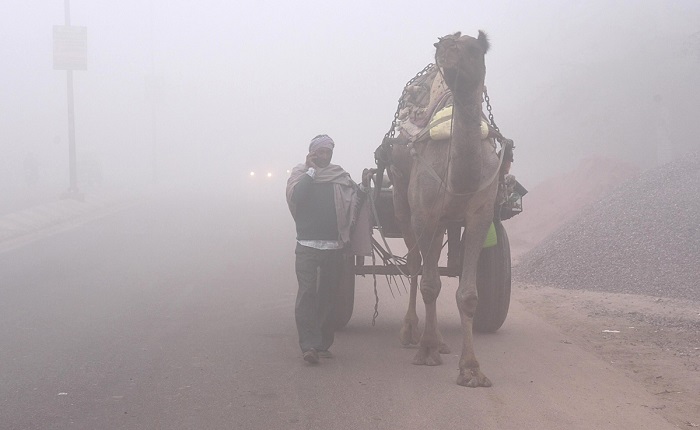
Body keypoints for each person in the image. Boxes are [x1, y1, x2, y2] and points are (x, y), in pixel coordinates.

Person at [285, 134, 361, 364]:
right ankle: (308, 345)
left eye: (328, 152)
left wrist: (363, 188)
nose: (324, 156)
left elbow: (354, 200)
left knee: (328, 296)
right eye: (320, 152)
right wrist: (311, 171)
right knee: (307, 294)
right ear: (312, 153)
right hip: (307, 245)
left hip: (333, 246)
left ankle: (322, 344)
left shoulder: (339, 176)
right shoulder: (300, 175)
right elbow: (298, 196)